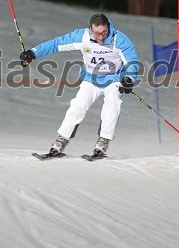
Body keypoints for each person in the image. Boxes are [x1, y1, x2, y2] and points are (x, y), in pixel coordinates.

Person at [20, 13, 139, 156]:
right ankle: (61, 141)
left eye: (104, 32)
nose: (101, 37)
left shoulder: (119, 39)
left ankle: (103, 141)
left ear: (108, 27)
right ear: (91, 29)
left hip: (114, 79)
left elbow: (131, 61)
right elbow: (56, 44)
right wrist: (33, 53)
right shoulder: (81, 36)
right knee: (78, 105)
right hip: (91, 78)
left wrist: (129, 79)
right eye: (97, 33)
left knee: (113, 103)